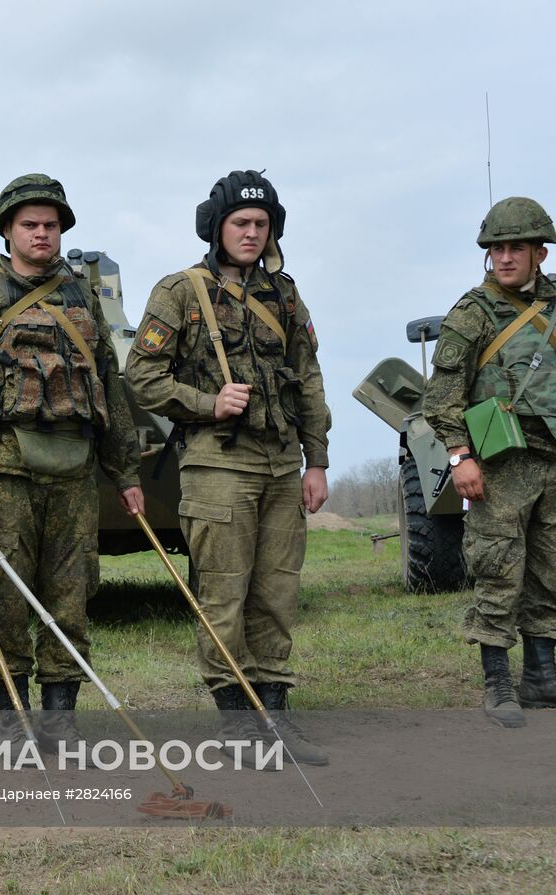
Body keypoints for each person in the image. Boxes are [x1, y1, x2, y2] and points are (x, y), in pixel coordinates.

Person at [125, 170, 330, 765]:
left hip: (280, 464)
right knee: (224, 593)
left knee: (277, 592)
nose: (251, 233)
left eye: (261, 224)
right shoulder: (181, 292)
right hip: (218, 464)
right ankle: (237, 719)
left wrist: (315, 459)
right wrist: (205, 404)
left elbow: (309, 379)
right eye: (240, 223)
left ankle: (275, 713)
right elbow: (143, 375)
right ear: (216, 228)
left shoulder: (285, 296)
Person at [0, 174, 142, 750]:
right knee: (4, 600)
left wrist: (125, 472)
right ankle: (15, 723)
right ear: (7, 230)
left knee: (71, 596)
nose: (41, 234)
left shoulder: (82, 296)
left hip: (75, 472)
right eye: (29, 224)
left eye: (50, 225)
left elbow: (107, 381)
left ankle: (61, 721)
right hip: (3, 473)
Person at [421, 197, 556, 727]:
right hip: (501, 464)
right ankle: (497, 683)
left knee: (551, 568)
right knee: (498, 569)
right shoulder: (474, 313)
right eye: (495, 249)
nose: (504, 258)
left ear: (540, 251)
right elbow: (441, 396)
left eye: (515, 248)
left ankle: (541, 676)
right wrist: (460, 456)